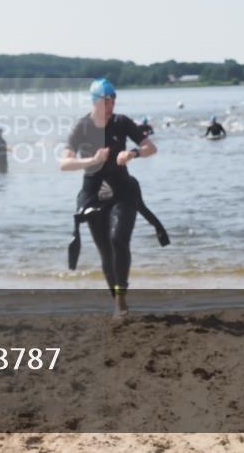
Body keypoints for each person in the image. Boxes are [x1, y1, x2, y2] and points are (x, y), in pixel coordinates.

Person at [60, 79, 157, 317]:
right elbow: (64, 163)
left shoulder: (122, 122)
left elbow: (150, 147)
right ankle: (116, 299)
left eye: (113, 100)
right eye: (106, 101)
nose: (111, 105)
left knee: (118, 239)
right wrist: (92, 161)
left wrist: (132, 153)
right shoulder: (82, 126)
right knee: (105, 251)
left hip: (123, 189)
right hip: (93, 193)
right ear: (95, 102)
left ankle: (121, 300)